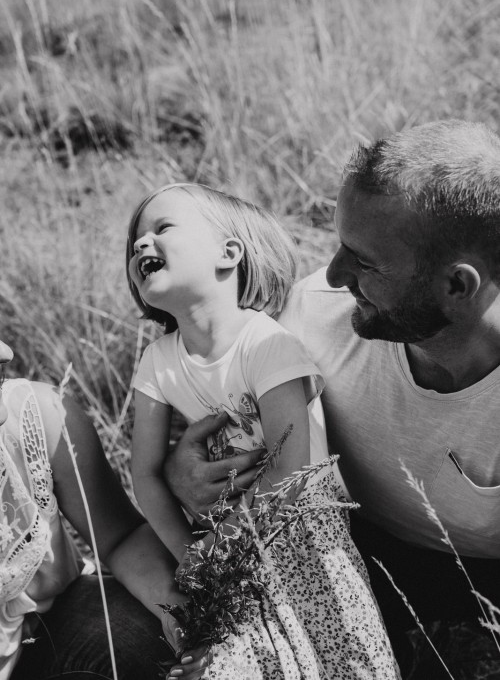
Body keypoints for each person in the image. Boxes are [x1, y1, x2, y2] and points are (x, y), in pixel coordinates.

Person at [165, 120, 500, 677]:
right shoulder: (312, 318)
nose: (335, 273)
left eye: (365, 262)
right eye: (340, 244)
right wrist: (188, 474)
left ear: (458, 287)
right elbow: (237, 439)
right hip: (348, 559)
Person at [125, 182, 400, 679]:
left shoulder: (266, 343)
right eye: (136, 241)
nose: (142, 244)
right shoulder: (158, 361)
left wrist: (223, 542)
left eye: (162, 228)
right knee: (235, 663)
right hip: (224, 540)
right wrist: (189, 553)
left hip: (302, 534)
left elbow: (290, 464)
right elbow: (142, 471)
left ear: (229, 254)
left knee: (341, 658)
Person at [0, 340, 208, 679]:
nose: (5, 352)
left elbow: (119, 536)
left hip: (44, 629)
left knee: (144, 637)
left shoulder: (39, 415)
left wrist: (175, 609)